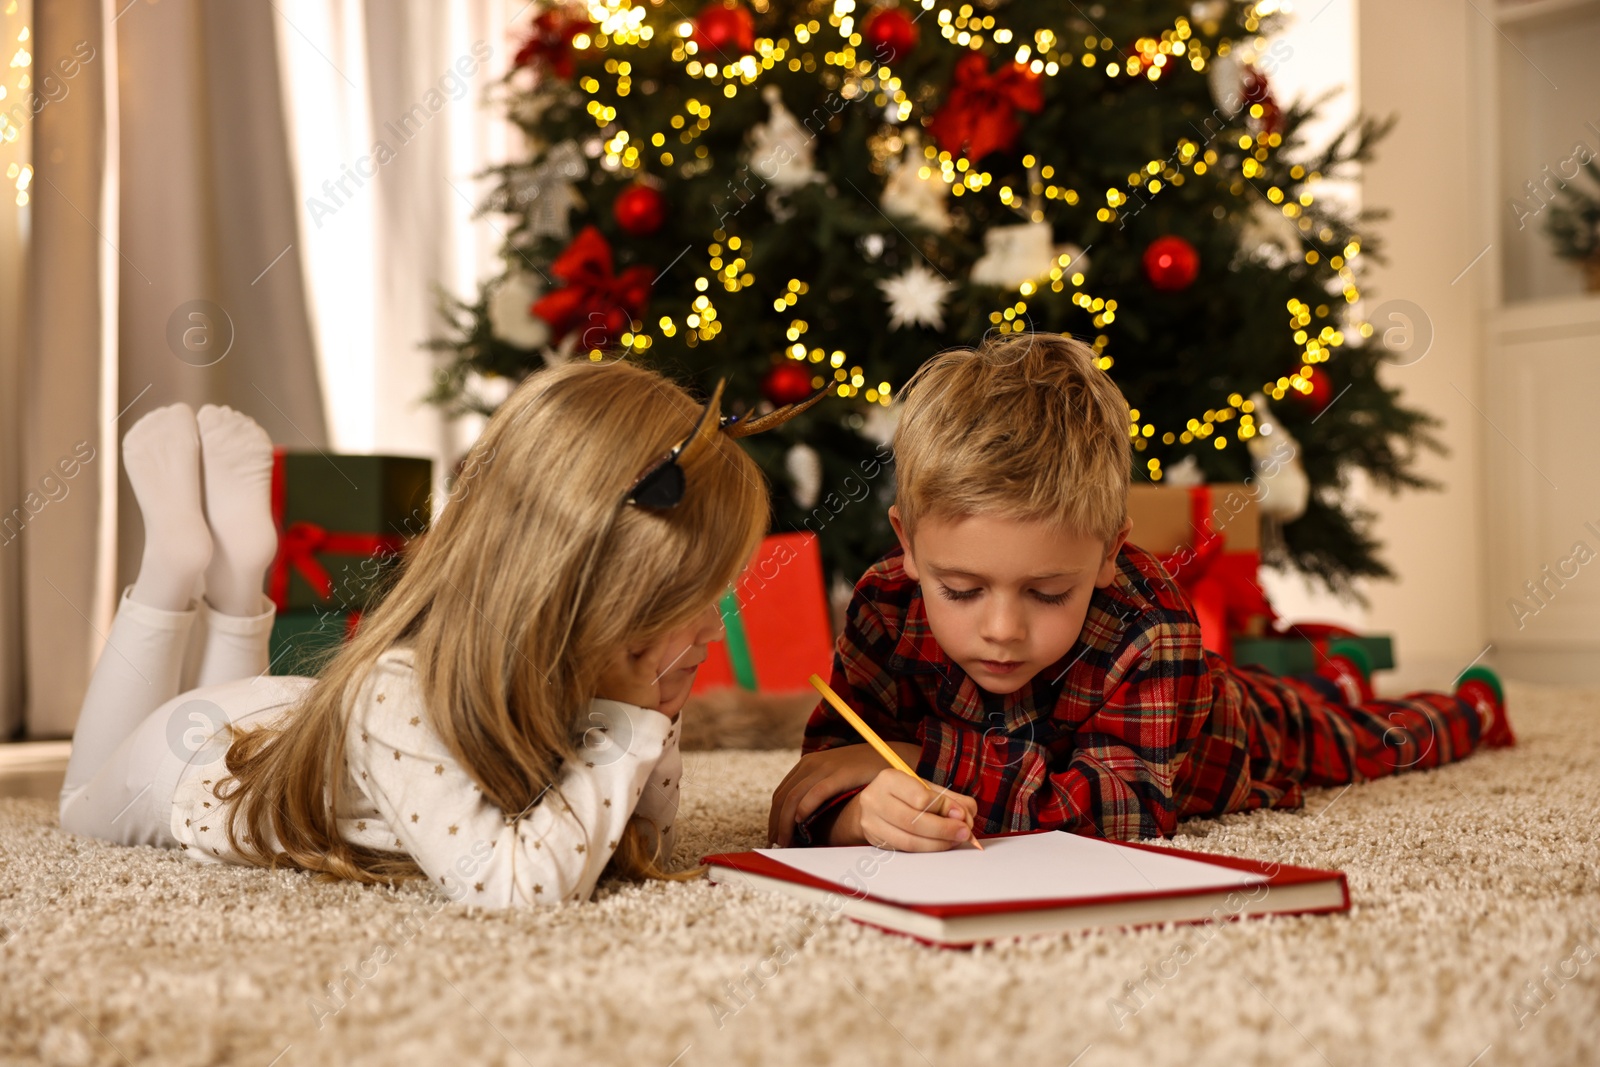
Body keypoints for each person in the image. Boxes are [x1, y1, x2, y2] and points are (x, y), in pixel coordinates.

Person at [60, 360, 799, 906]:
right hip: (190, 759)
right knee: (77, 807)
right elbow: (513, 887)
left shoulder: (563, 674)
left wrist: (652, 711)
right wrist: (637, 724)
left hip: (280, 716)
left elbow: (636, 835)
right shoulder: (396, 694)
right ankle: (173, 565)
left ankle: (235, 579)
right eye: (692, 600)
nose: (713, 625)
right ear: (588, 598)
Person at [768, 332, 1512, 851]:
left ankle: (1470, 706)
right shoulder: (883, 606)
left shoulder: (1149, 625)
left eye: (1048, 592)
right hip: (1118, 727)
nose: (1001, 628)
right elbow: (834, 764)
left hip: (1235, 731)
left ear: (1108, 554)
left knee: (1367, 741)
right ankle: (1332, 677)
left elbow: (1123, 810)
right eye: (960, 588)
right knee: (1327, 693)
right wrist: (864, 813)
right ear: (907, 545)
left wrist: (921, 760)